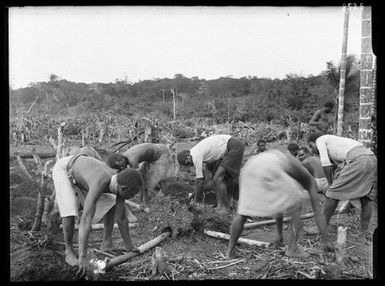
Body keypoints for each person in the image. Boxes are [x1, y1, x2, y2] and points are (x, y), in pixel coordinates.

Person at [52, 151, 144, 278]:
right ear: (123, 189)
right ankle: (69, 249)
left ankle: (106, 243)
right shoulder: (100, 182)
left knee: (111, 201)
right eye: (132, 195)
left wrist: (130, 246)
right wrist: (83, 257)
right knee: (69, 210)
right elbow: (85, 219)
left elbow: (122, 218)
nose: (132, 197)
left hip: (83, 170)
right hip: (65, 168)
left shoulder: (119, 180)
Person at [226, 150, 332, 258]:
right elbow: (318, 212)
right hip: (271, 165)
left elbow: (280, 206)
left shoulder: (291, 169)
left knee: (243, 212)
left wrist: (279, 235)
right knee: (298, 205)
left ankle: (230, 251)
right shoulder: (309, 179)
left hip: (250, 166)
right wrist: (325, 241)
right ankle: (293, 249)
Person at [308, 132, 377, 235]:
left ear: (313, 142)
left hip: (358, 159)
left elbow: (326, 164)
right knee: (365, 198)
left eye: (310, 146)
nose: (311, 150)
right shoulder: (337, 142)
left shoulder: (320, 140)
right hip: (372, 158)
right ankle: (364, 231)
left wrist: (330, 184)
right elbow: (337, 168)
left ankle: (321, 228)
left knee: (332, 193)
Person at [177, 134, 244, 214]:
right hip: (230, 148)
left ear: (187, 156)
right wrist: (194, 193)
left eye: (188, 163)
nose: (190, 166)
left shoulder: (195, 156)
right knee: (220, 176)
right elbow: (201, 178)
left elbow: (200, 181)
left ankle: (224, 208)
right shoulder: (196, 152)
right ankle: (226, 204)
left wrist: (195, 202)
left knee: (217, 178)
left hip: (233, 146)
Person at [123, 143, 176, 208]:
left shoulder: (132, 160)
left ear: (121, 160)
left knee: (154, 182)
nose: (121, 167)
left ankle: (166, 202)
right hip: (152, 156)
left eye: (121, 166)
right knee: (146, 182)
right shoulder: (124, 156)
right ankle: (145, 202)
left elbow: (138, 178)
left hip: (162, 154)